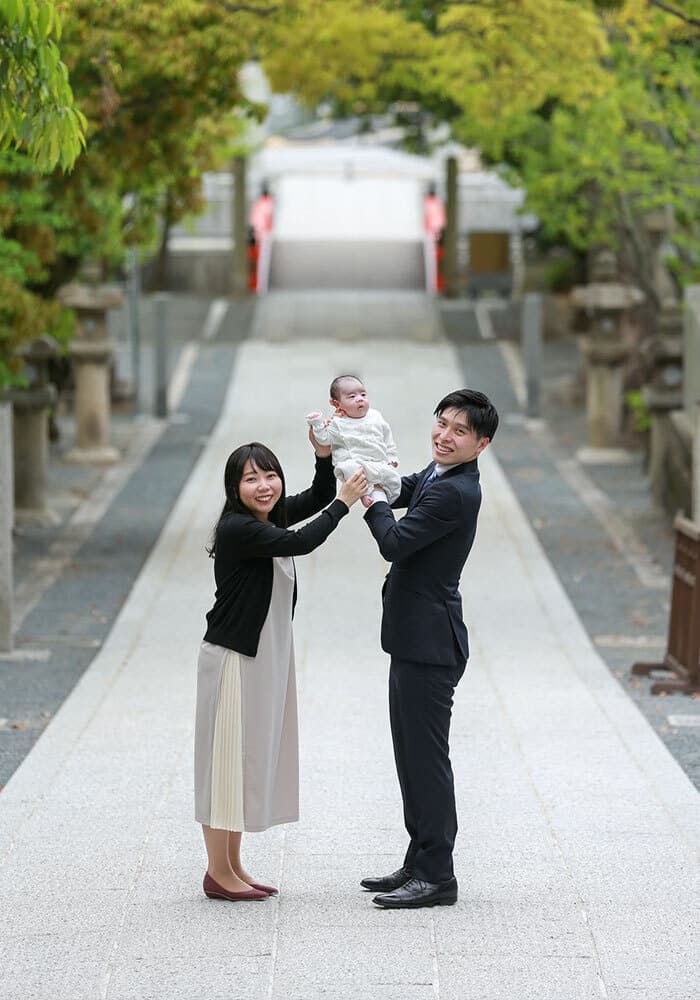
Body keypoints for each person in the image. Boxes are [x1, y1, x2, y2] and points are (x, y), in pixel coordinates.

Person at [194, 435, 367, 902]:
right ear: (235, 488)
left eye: (270, 475)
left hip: (262, 655)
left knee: (245, 758)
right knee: (226, 762)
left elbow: (314, 497)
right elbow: (303, 540)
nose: (265, 485)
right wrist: (346, 505)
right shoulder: (239, 529)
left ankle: (232, 865)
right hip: (234, 659)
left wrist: (323, 456)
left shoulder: (262, 518)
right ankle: (217, 871)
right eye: (252, 479)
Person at [360, 389, 499, 909]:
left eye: (460, 431)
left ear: (481, 444)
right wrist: (372, 470)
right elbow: (411, 486)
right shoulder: (441, 475)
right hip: (414, 636)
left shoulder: (458, 492)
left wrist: (370, 501)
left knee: (427, 760)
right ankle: (419, 860)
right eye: (442, 424)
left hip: (431, 642)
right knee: (410, 755)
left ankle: (438, 876)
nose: (444, 436)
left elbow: (394, 542)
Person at [306, 375, 401, 503]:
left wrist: (391, 456)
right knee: (348, 468)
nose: (359, 399)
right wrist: (317, 423)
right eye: (352, 397)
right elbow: (324, 440)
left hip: (378, 462)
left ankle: (381, 496)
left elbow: (387, 437)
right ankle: (365, 494)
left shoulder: (375, 416)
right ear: (336, 403)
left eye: (363, 394)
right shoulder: (338, 423)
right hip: (356, 463)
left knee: (393, 477)